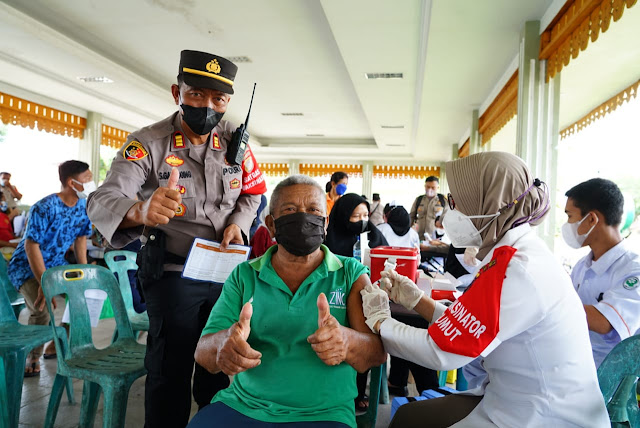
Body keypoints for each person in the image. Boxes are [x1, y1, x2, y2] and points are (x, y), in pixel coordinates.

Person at [360, 151, 609, 427]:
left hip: (543, 414)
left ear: (490, 203)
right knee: (408, 416)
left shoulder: (520, 269)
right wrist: (418, 301)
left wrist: (381, 322)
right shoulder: (508, 254)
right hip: (510, 396)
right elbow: (471, 327)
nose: (450, 213)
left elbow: (441, 352)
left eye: (456, 202)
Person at [87, 50, 266, 427]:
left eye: (219, 99)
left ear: (228, 102)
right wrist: (140, 210)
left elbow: (253, 192)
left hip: (226, 276)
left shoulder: (235, 139)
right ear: (177, 92)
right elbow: (101, 200)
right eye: (197, 94)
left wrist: (240, 222)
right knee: (170, 372)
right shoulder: (148, 143)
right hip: (174, 274)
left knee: (217, 370)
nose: (208, 106)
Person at [188, 175, 386, 427]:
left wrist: (347, 341)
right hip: (244, 405)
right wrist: (223, 346)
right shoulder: (244, 275)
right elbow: (202, 352)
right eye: (290, 210)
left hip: (324, 413)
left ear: (325, 223)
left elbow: (377, 353)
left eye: (313, 210)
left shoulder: (350, 274)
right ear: (271, 225)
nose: (303, 218)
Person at [8, 160, 93, 377]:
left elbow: (81, 239)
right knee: (42, 306)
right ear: (70, 182)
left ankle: (57, 344)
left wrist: (84, 272)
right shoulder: (44, 207)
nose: (91, 183)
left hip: (57, 264)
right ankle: (32, 356)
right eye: (87, 179)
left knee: (82, 297)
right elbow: (31, 245)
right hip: (26, 266)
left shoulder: (83, 207)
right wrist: (44, 281)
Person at [563, 178, 640, 368]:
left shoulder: (633, 269)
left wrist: (549, 297)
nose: (567, 225)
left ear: (591, 219)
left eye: (570, 216)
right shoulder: (583, 266)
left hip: (610, 383)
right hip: (576, 368)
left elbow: (604, 322)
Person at [325, 193, 388, 413]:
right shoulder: (330, 236)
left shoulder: (372, 233)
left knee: (364, 340)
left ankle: (359, 393)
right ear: (343, 216)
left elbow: (388, 260)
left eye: (364, 215)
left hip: (369, 298)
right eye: (355, 216)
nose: (361, 220)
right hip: (335, 299)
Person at [409, 176, 448, 241]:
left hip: (436, 239)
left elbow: (447, 218)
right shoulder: (419, 199)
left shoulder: (443, 200)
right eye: (428, 187)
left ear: (438, 187)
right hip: (419, 237)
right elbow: (411, 217)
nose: (430, 189)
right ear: (425, 186)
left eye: (433, 187)